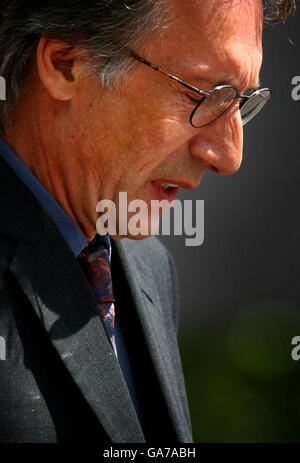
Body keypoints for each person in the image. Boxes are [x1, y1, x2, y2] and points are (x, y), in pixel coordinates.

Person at [0, 0, 295, 443]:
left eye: (240, 101)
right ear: (66, 65)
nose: (231, 157)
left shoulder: (146, 266)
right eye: (203, 94)